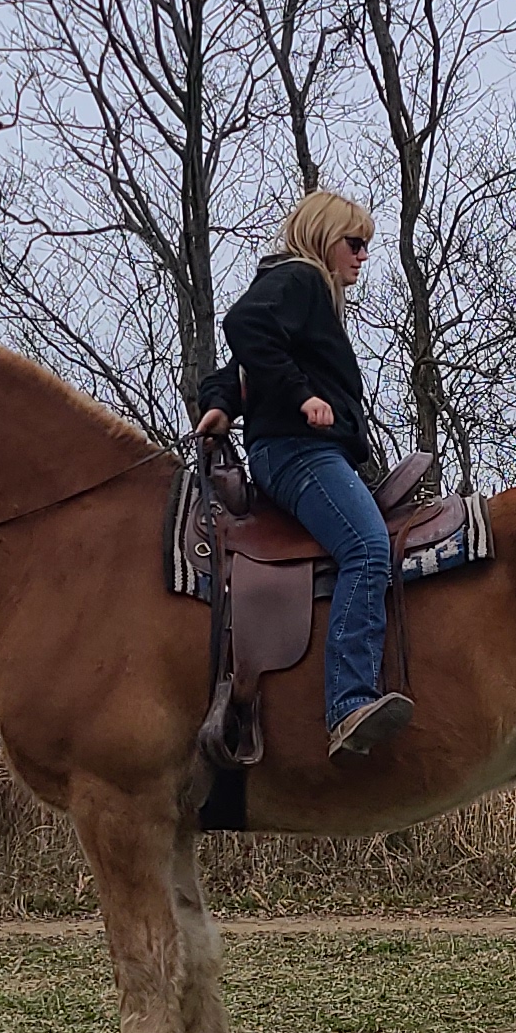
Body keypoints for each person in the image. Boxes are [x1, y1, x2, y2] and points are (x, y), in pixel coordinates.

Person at [195, 190, 413, 759]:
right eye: (355, 242)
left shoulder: (296, 289)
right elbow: (245, 325)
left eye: (367, 245)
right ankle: (349, 703)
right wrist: (304, 396)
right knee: (367, 548)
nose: (363, 255)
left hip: (294, 450)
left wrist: (221, 400)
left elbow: (242, 360)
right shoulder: (302, 278)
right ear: (323, 239)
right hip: (298, 453)